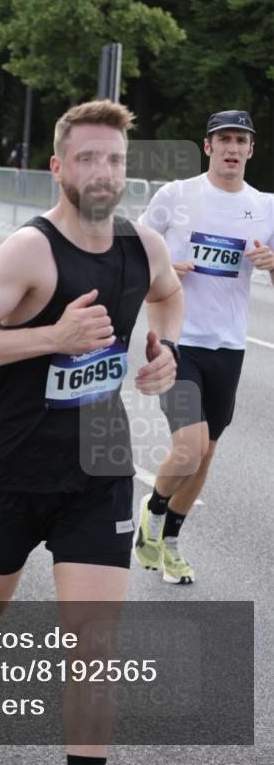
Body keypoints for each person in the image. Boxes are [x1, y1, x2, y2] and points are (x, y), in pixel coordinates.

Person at [0, 101, 182, 765]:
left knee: (91, 645)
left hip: (99, 466)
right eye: (87, 158)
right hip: (12, 466)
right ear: (58, 167)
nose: (102, 172)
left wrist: (163, 348)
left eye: (114, 160)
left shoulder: (140, 245)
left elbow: (170, 293)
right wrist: (52, 337)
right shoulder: (31, 249)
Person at [134, 110, 274, 584]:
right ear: (208, 146)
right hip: (179, 340)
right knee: (188, 449)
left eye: (241, 140)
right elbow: (134, 249)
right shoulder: (177, 195)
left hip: (229, 346)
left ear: (251, 150)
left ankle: (171, 540)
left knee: (206, 453)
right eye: (224, 139)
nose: (233, 148)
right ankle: (152, 512)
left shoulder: (266, 206)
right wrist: (168, 265)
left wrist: (272, 263)